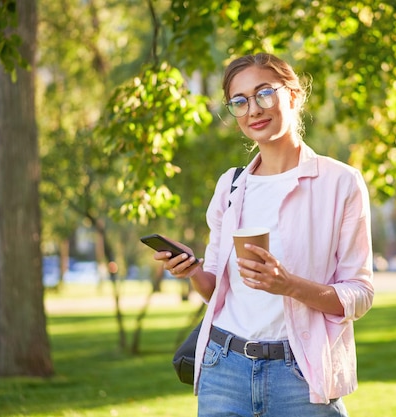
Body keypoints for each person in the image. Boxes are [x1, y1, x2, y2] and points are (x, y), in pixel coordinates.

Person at [154, 52, 374, 417]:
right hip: (224, 370)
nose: (253, 109)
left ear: (293, 95)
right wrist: (191, 269)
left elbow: (360, 294)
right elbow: (215, 290)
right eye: (239, 102)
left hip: (300, 375)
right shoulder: (231, 186)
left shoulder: (340, 183)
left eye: (264, 94)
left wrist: (288, 285)